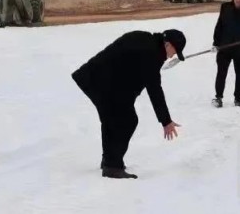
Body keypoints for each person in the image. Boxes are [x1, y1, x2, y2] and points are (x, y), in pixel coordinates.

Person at [71, 29, 186, 179]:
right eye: (174, 52)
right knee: (126, 120)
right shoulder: (151, 53)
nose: (172, 56)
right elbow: (154, 89)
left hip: (97, 79)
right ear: (168, 45)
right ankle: (112, 166)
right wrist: (166, 121)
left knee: (112, 119)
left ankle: (110, 160)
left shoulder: (146, 40)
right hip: (101, 82)